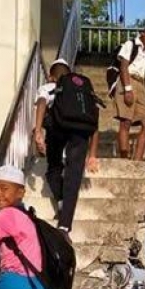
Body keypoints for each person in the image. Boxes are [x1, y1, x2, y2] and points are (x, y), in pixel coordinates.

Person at [33, 58, 99, 239]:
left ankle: (61, 201)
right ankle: (64, 227)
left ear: (51, 77)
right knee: (74, 175)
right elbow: (94, 120)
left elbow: (41, 103)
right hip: (81, 132)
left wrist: (38, 131)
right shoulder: (83, 92)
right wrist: (92, 154)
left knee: (54, 167)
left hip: (58, 129)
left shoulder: (49, 86)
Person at [113, 22, 145, 161]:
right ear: (144, 33)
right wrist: (128, 89)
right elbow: (123, 66)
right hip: (128, 80)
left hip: (141, 84)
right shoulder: (131, 44)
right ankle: (124, 157)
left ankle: (137, 160)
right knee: (126, 122)